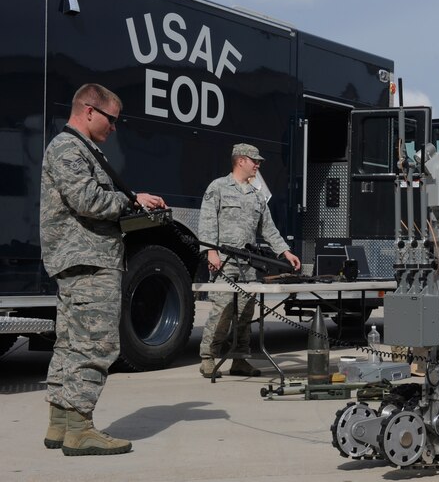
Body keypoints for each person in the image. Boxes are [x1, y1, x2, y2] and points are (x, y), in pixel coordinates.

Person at [40, 83, 167, 455]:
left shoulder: (79, 148)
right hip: (88, 260)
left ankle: (61, 423)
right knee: (96, 343)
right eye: (112, 119)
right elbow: (87, 199)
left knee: (70, 343)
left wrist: (132, 201)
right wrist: (131, 204)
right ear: (89, 110)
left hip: (82, 258)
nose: (115, 127)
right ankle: (80, 429)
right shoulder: (68, 148)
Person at [198, 143, 301, 379]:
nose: (258, 165)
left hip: (248, 263)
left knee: (245, 313)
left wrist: (285, 252)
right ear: (241, 161)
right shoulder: (219, 187)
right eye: (255, 161)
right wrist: (210, 252)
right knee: (221, 310)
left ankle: (239, 359)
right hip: (224, 260)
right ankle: (208, 357)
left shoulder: (257, 195)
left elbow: (269, 230)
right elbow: (207, 222)